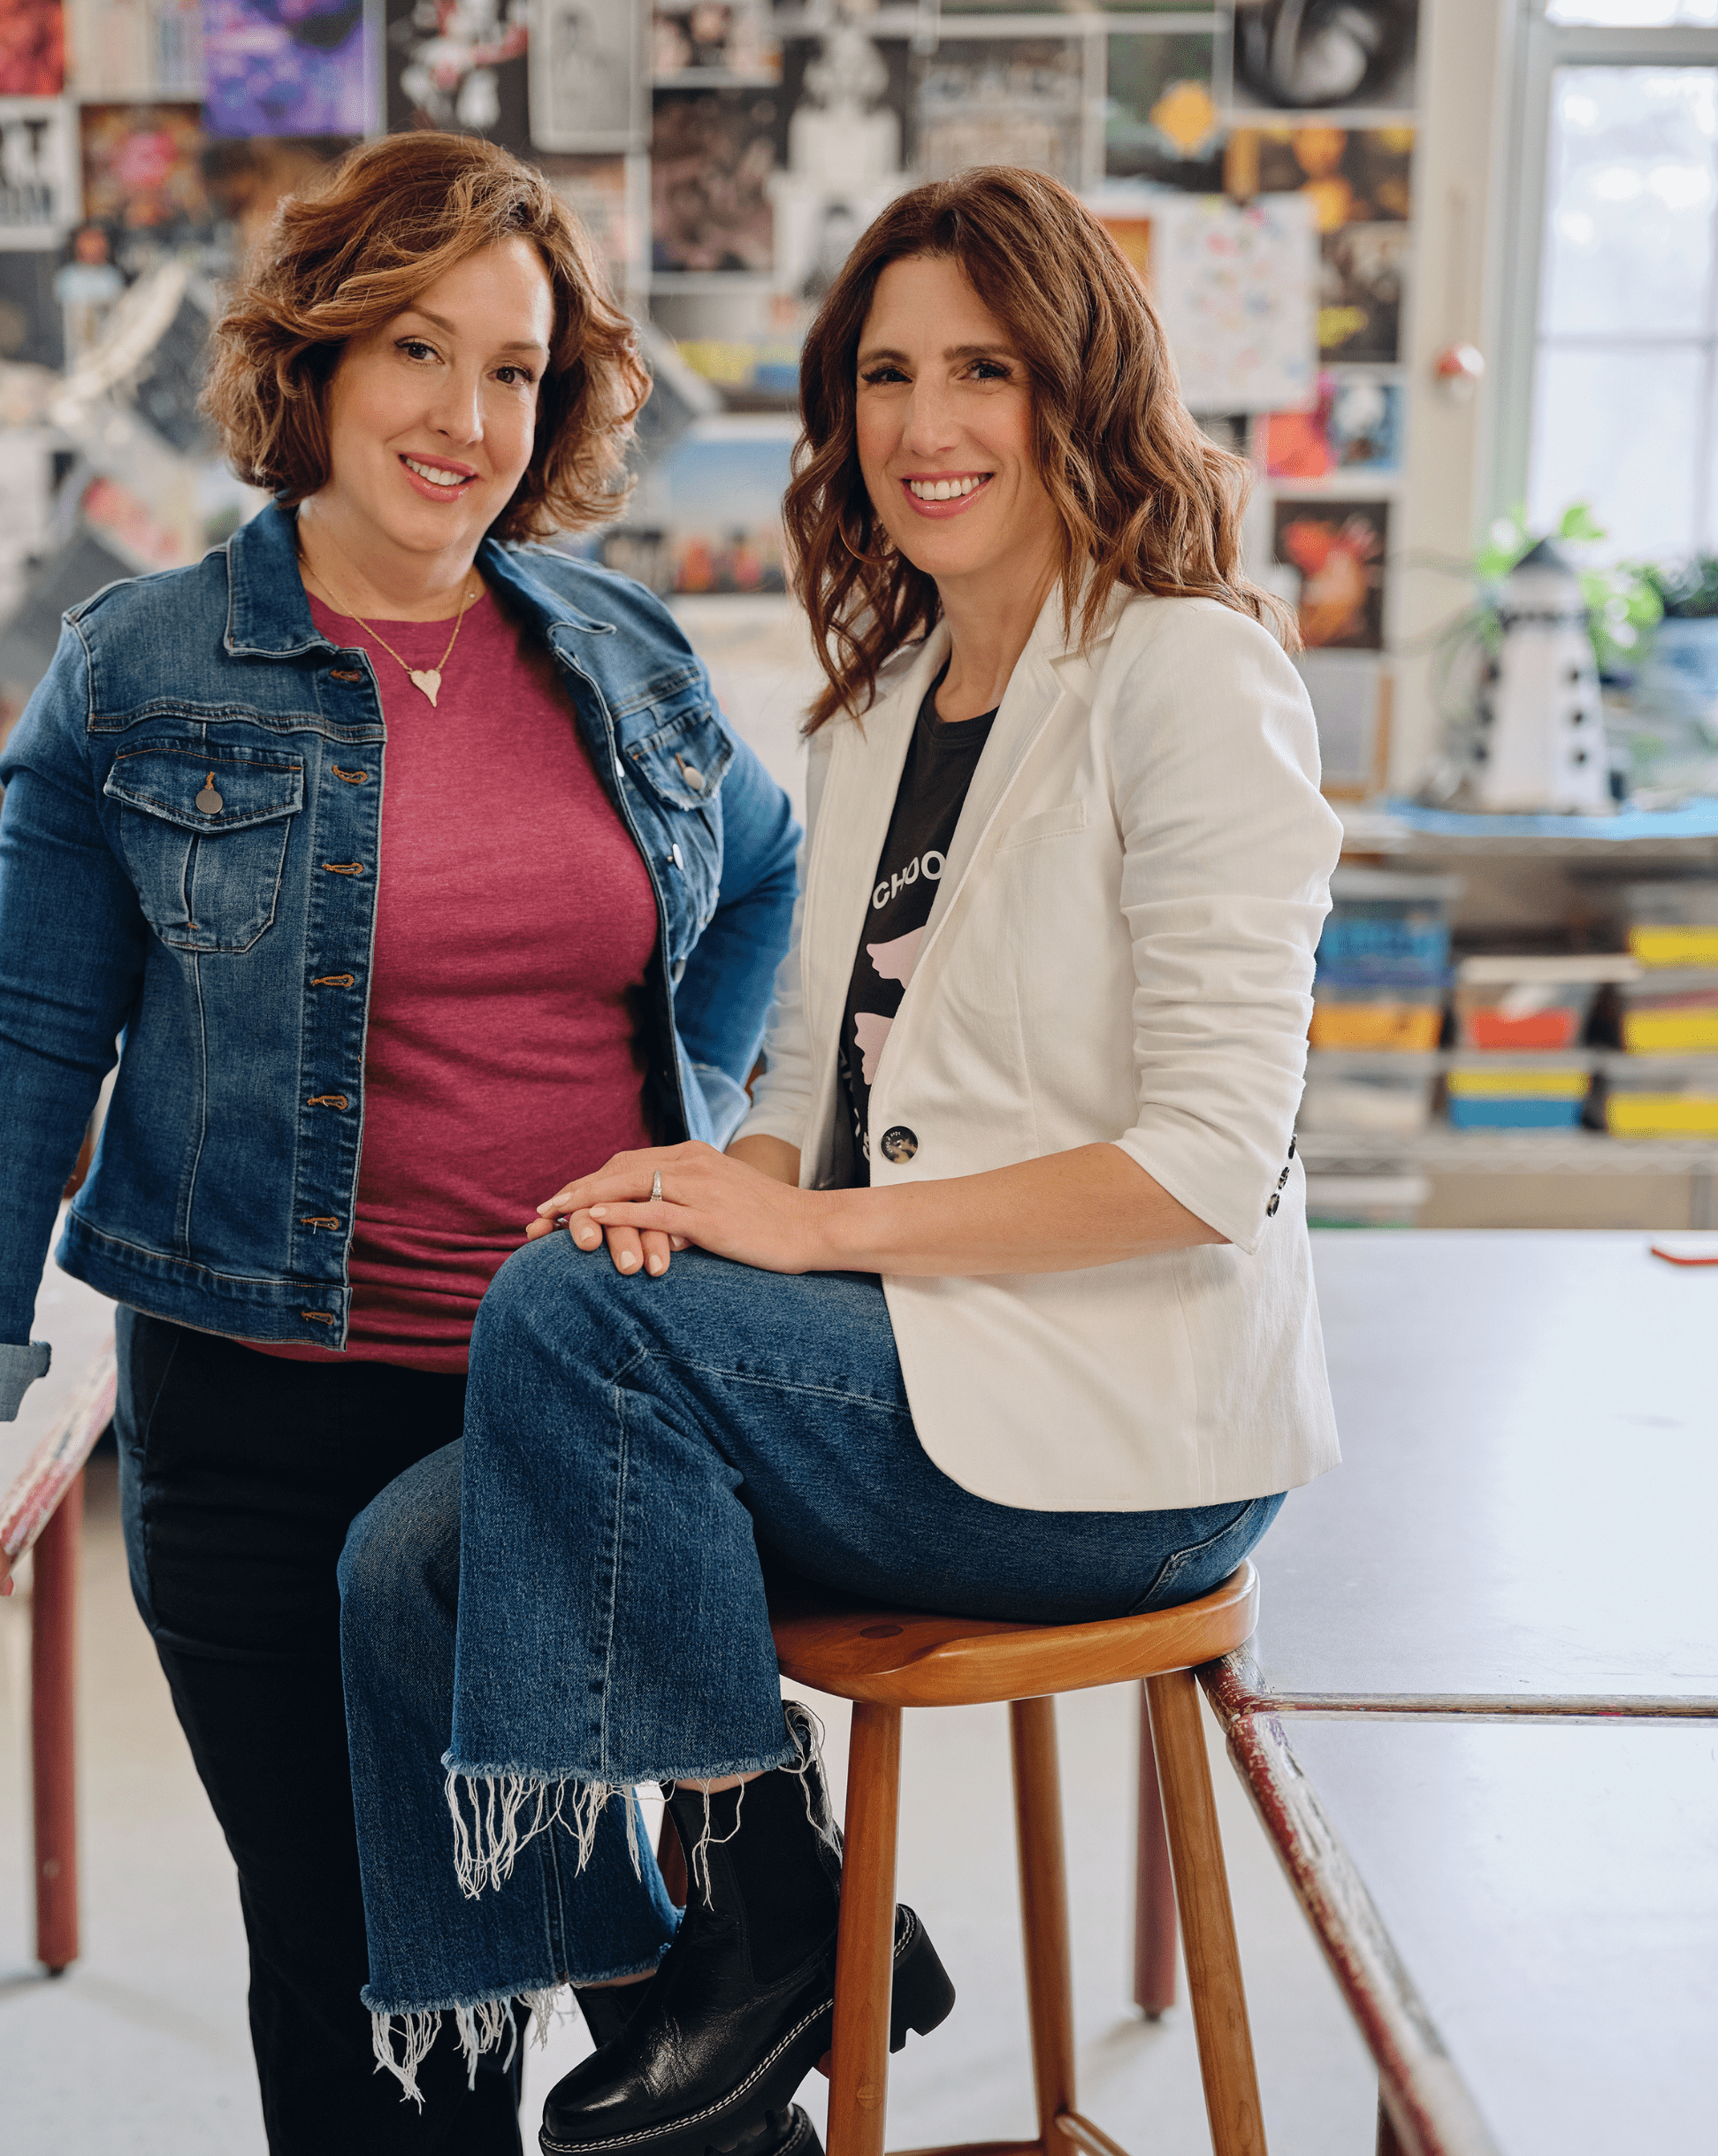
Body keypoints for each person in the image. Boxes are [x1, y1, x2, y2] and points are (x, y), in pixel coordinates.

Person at [0, 133, 801, 2156]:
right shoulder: (137, 673)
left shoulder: (622, 658)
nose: (467, 415)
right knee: (381, 2008)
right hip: (268, 1432)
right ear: (313, 357)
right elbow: (31, 1052)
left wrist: (708, 1129)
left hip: (575, 1426)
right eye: (419, 346)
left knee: (660, 2017)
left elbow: (759, 875)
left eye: (516, 369)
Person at [335, 163, 1343, 2156]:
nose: (923, 425)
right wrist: (710, 1183)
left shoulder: (1185, 676)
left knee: (567, 1325)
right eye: (884, 374)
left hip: (1125, 1437)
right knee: (402, 1567)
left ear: (1079, 388)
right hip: (915, 1367)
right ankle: (688, 2002)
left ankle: (768, 1912)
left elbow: (1207, 1161)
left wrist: (797, 1232)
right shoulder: (883, 699)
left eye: (984, 368)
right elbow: (803, 1071)